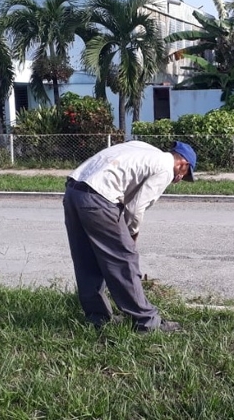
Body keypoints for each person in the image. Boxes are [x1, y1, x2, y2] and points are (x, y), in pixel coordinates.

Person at [63, 140, 196, 332]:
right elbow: (135, 210)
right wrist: (131, 236)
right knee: (125, 260)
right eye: (183, 175)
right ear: (183, 164)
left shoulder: (143, 148)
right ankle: (147, 322)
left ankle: (97, 318)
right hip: (99, 198)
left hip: (74, 191)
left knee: (86, 259)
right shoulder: (166, 168)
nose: (179, 180)